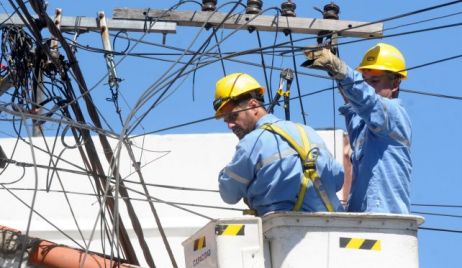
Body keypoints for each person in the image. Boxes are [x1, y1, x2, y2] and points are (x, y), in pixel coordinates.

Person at [213, 72, 344, 216]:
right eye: (226, 120)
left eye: (233, 116)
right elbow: (337, 178)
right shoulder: (307, 132)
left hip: (281, 232)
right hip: (334, 227)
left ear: (253, 105)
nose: (230, 125)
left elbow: (229, 194)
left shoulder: (251, 143)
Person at [303, 43, 412, 214]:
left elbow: (365, 99)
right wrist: (335, 71)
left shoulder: (394, 114)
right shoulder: (365, 124)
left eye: (375, 81)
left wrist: (340, 69)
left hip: (386, 216)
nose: (368, 87)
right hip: (363, 217)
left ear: (395, 83)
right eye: (365, 81)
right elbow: (354, 100)